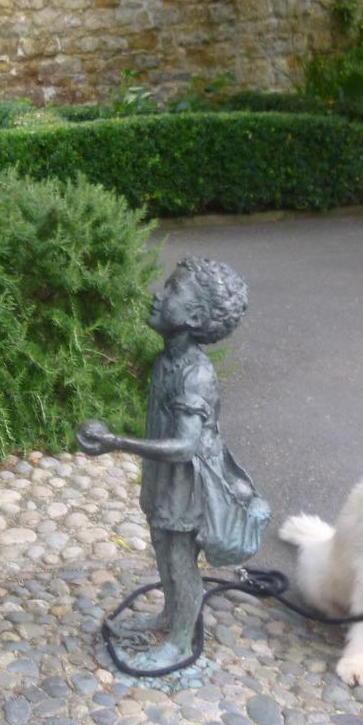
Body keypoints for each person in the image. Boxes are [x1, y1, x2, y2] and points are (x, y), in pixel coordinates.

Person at [77, 257, 269, 671]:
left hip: (188, 487)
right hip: (166, 483)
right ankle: (169, 617)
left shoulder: (195, 373)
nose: (159, 295)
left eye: (173, 290)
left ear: (196, 317)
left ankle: (180, 641)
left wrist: (115, 441)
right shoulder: (168, 361)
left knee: (181, 564)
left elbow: (185, 447)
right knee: (165, 553)